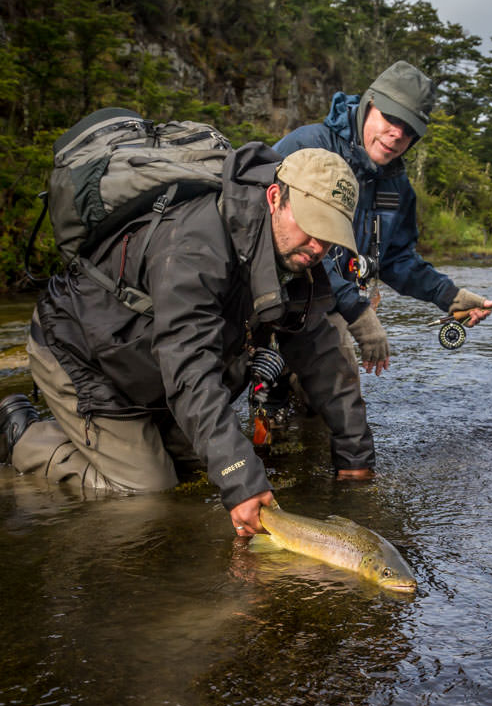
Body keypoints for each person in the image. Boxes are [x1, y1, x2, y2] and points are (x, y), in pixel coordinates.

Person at [0, 145, 376, 535]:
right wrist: (241, 480)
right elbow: (189, 369)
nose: (318, 247)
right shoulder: (195, 241)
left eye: (330, 237)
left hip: (147, 363)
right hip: (82, 352)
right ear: (275, 197)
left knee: (197, 467)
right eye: (311, 227)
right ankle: (20, 434)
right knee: (149, 491)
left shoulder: (297, 257)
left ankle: (133, 439)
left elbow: (320, 352)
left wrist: (355, 455)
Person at [274, 60, 492, 377]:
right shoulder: (307, 146)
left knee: (332, 402)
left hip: (328, 306)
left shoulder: (398, 187)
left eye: (409, 131)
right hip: (275, 295)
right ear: (369, 105)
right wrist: (357, 311)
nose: (397, 135)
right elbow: (286, 241)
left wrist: (449, 296)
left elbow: (395, 258)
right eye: (391, 119)